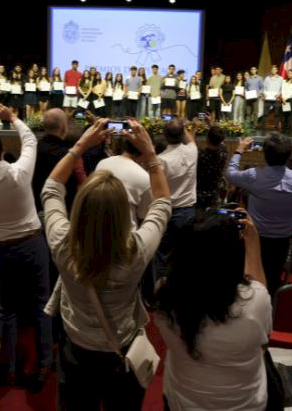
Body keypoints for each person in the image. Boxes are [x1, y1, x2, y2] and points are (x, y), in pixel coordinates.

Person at [41, 118, 171, 410]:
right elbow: (163, 203)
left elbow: (51, 189)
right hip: (120, 352)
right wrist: (150, 155)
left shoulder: (63, 242)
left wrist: (80, 145)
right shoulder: (135, 251)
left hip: (76, 350)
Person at [0, 103, 53, 387]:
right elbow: (30, 140)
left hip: (2, 249)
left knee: (8, 309)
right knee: (41, 305)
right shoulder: (18, 174)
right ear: (2, 151)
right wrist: (12, 118)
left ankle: (12, 366)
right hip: (32, 244)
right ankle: (43, 365)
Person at [155, 211, 271, 411]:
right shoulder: (255, 300)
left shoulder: (164, 293)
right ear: (233, 256)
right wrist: (253, 244)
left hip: (181, 402)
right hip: (245, 405)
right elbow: (262, 343)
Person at [225, 133, 292, 296]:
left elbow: (230, 173)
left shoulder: (254, 175)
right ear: (289, 155)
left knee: (249, 277)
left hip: (256, 237)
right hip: (282, 240)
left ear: (264, 154)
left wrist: (239, 151)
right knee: (273, 278)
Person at [156, 118, 199, 276]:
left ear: (165, 136)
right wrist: (185, 126)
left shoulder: (161, 160)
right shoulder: (192, 151)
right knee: (185, 254)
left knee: (161, 254)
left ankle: (158, 289)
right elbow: (190, 139)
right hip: (187, 210)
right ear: (182, 134)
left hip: (167, 210)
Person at [96, 136, 152, 230]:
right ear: (146, 148)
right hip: (126, 234)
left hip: (98, 228)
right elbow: (143, 215)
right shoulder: (144, 177)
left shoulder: (102, 163)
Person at [32, 108, 81, 213]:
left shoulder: (35, 147)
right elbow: (72, 190)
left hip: (37, 207)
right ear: (63, 127)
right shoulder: (67, 156)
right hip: (59, 210)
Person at [196, 122, 228, 209]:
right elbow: (220, 141)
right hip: (214, 192)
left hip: (198, 193)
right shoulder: (223, 152)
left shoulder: (200, 155)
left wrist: (194, 127)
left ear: (207, 139)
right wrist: (210, 124)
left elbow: (190, 145)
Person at [261, 66, 283, 132]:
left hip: (276, 99)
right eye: (272, 69)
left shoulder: (280, 78)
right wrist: (264, 93)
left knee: (276, 114)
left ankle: (276, 127)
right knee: (265, 113)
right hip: (268, 98)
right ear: (271, 70)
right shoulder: (267, 78)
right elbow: (263, 87)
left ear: (277, 70)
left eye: (275, 69)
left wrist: (279, 94)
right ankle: (263, 127)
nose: (273, 70)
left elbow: (282, 88)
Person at [280, 69, 292, 134]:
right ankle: (283, 129)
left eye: (290, 73)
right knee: (284, 115)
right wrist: (283, 98)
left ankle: (288, 129)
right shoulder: (284, 81)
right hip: (284, 100)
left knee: (290, 115)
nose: (289, 74)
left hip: (291, 100)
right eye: (288, 73)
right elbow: (282, 90)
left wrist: (286, 98)